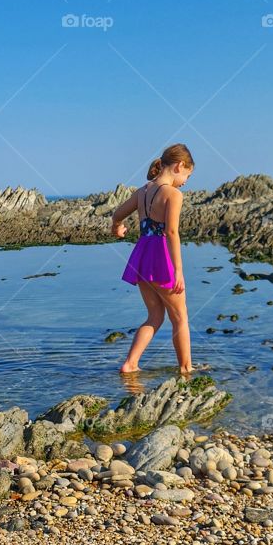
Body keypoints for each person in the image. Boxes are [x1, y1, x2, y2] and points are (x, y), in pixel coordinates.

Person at [111, 143, 194, 373]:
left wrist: (117, 227)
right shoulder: (173, 194)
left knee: (155, 316)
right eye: (187, 175)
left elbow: (117, 215)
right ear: (179, 166)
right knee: (180, 317)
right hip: (161, 258)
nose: (186, 181)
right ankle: (186, 370)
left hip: (142, 256)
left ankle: (130, 364)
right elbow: (171, 232)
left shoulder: (142, 192)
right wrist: (178, 270)